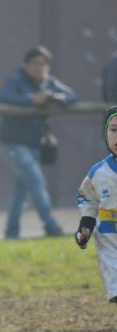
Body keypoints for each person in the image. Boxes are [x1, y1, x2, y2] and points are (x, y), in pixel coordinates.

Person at [0, 45, 77, 239]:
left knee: (21, 190)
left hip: (35, 143)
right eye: (34, 64)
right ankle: (51, 226)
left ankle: (11, 232)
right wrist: (32, 99)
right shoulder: (15, 80)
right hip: (15, 142)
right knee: (36, 181)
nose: (39, 68)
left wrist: (56, 98)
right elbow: (4, 97)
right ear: (25, 65)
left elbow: (72, 96)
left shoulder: (49, 82)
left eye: (43, 64)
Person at [76, 105, 117, 303]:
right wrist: (86, 226)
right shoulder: (98, 173)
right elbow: (88, 198)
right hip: (111, 241)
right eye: (114, 130)